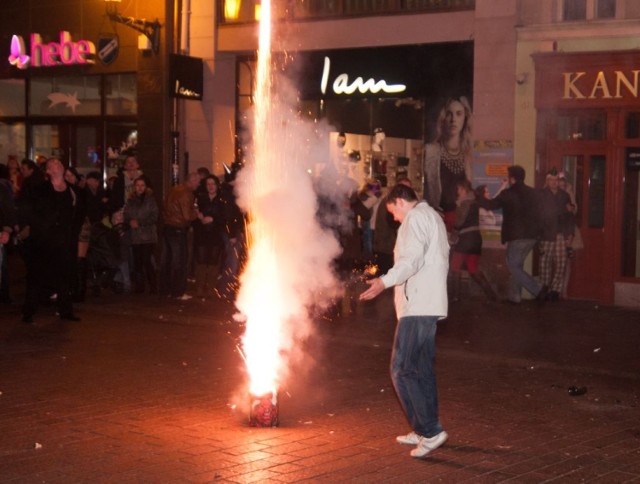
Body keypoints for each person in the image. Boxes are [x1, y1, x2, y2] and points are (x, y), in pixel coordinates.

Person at [360, 183, 449, 459]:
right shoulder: (431, 216)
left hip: (419, 305)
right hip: (427, 303)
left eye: (393, 212)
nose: (395, 219)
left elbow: (412, 261)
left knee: (401, 369)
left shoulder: (415, 218)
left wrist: (383, 282)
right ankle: (425, 429)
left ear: (400, 202)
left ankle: (429, 430)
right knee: (421, 369)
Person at [21, 158, 84, 323]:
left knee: (64, 277)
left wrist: (72, 235)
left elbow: (78, 215)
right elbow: (30, 213)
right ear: (48, 171)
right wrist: (42, 229)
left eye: (59, 163)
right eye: (53, 164)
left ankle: (65, 311)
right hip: (43, 241)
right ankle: (29, 311)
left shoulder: (72, 191)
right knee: (37, 276)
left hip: (64, 241)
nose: (57, 165)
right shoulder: (40, 190)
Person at [476, 165, 547, 304]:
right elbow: (541, 213)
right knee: (517, 266)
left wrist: (478, 196)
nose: (508, 180)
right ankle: (515, 297)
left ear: (512, 179)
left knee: (513, 266)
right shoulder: (533, 193)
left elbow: (490, 205)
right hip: (532, 236)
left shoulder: (508, 194)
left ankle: (538, 289)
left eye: (509, 177)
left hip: (517, 236)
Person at [424, 96, 473, 232]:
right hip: (437, 219)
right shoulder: (431, 151)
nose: (453, 120)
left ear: (465, 118)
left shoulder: (469, 154)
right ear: (443, 118)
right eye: (449, 114)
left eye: (459, 114)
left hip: (463, 221)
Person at [450, 180, 497, 302]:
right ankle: (492, 296)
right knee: (473, 268)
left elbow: (459, 223)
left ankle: (454, 297)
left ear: (464, 190)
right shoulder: (475, 202)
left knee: (455, 267)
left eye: (459, 190)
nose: (458, 192)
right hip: (475, 239)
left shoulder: (465, 203)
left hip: (465, 240)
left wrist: (452, 235)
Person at [159, 173, 199, 300]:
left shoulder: (174, 190)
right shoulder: (187, 193)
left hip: (167, 228)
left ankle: (166, 290)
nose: (198, 184)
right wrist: (196, 213)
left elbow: (164, 207)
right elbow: (187, 216)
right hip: (178, 229)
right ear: (192, 181)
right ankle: (178, 292)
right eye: (197, 181)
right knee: (180, 261)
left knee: (167, 260)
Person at [538, 169, 575, 301]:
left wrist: (570, 233)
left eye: (556, 180)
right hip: (546, 234)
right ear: (547, 181)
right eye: (551, 180)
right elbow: (536, 216)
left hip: (560, 233)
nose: (554, 182)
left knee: (561, 263)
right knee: (544, 263)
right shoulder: (541, 195)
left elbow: (569, 216)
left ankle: (555, 290)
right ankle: (544, 287)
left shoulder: (564, 195)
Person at [193, 175, 226, 300]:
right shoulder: (201, 199)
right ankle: (200, 287)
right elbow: (194, 214)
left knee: (213, 260)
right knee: (201, 260)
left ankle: (211, 287)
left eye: (213, 184)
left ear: (217, 185)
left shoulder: (222, 199)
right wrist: (199, 217)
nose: (211, 186)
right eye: (208, 184)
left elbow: (224, 217)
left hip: (215, 234)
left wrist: (213, 219)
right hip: (202, 233)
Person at [124, 176, 159, 294]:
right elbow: (126, 215)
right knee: (137, 262)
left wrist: (140, 222)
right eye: (137, 185)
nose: (139, 188)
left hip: (148, 236)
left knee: (147, 261)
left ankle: (153, 286)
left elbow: (154, 217)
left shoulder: (151, 200)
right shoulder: (130, 200)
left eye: (142, 185)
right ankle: (140, 286)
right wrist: (129, 221)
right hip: (135, 236)